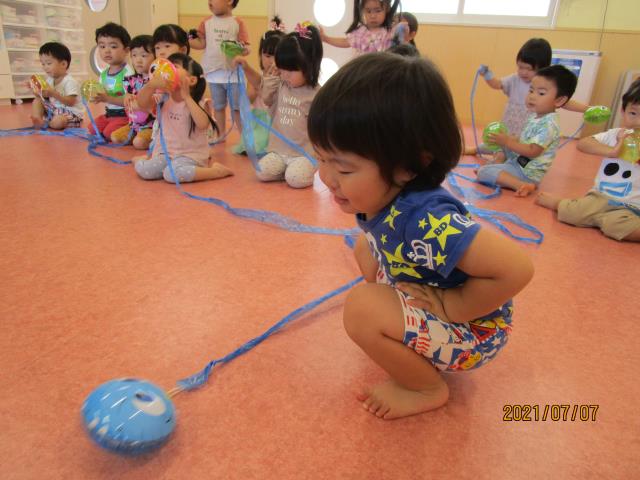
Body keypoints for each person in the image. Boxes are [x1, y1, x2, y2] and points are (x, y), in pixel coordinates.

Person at [308, 52, 534, 419]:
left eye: (344, 169)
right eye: (320, 158)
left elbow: (517, 268)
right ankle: (400, 332)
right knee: (365, 246)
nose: (326, 177)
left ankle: (425, 387)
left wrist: (454, 305)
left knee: (362, 310)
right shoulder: (383, 197)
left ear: (410, 167)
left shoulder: (426, 220)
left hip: (476, 330)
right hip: (428, 291)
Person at [536, 78, 640, 242]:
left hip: (632, 207)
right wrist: (611, 151)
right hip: (599, 197)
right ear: (622, 111)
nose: (638, 122)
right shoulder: (615, 134)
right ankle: (560, 203)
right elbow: (583, 144)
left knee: (616, 226)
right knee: (572, 214)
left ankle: (602, 220)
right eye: (633, 113)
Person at [467, 38, 587, 156]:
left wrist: (587, 109)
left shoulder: (545, 86)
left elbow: (565, 103)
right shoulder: (514, 79)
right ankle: (476, 150)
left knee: (510, 151)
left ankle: (501, 160)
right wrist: (487, 75)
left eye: (529, 69)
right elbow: (497, 84)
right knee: (496, 145)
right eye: (520, 67)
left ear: (542, 68)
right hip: (509, 127)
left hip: (525, 134)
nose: (523, 72)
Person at [475, 65, 577, 197]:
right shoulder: (536, 116)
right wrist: (510, 139)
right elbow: (525, 139)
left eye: (541, 93)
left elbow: (533, 151)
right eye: (531, 90)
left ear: (559, 100)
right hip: (517, 161)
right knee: (497, 143)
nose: (532, 96)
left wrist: (508, 142)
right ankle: (490, 160)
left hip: (526, 172)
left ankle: (520, 184)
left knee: (483, 172)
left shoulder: (549, 124)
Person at [133, 53, 232, 183]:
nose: (167, 69)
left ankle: (215, 171)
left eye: (174, 66)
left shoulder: (199, 103)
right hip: (165, 153)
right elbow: (142, 103)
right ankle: (144, 161)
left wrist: (187, 97)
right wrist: (151, 85)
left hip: (190, 155)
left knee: (172, 175)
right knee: (146, 171)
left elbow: (203, 124)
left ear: (192, 80)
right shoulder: (164, 98)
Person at [255, 22, 322, 188]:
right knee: (261, 172)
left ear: (309, 65)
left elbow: (321, 129)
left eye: (291, 70)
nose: (285, 75)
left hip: (304, 154)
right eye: (282, 68)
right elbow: (266, 100)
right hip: (279, 151)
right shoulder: (281, 84)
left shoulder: (316, 94)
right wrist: (271, 80)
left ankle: (297, 170)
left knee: (295, 179)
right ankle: (285, 170)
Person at [189, 0, 250, 139]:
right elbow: (201, 43)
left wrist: (244, 50)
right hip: (213, 73)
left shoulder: (237, 22)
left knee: (237, 108)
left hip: (233, 75)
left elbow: (245, 45)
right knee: (218, 106)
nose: (210, 2)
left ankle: (245, 138)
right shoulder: (206, 22)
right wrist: (187, 41)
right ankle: (221, 134)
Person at [89, 23, 134, 140]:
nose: (107, 51)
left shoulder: (128, 73)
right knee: (92, 129)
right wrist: (96, 97)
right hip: (109, 114)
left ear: (126, 50)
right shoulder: (103, 74)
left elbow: (130, 102)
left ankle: (131, 129)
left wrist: (106, 98)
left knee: (109, 133)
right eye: (102, 46)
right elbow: (102, 94)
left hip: (125, 115)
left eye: (113, 47)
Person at [110, 35, 155, 149]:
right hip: (133, 125)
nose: (138, 60)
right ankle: (136, 134)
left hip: (151, 126)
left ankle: (154, 139)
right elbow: (127, 98)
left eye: (144, 55)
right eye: (134, 55)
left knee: (139, 143)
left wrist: (139, 105)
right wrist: (126, 97)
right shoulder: (131, 80)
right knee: (115, 137)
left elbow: (154, 106)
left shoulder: (156, 81)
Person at [30, 42, 83, 129]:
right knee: (37, 100)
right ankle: (38, 118)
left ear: (63, 64)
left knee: (58, 122)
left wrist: (54, 93)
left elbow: (71, 102)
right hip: (54, 110)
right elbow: (44, 97)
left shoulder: (70, 81)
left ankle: (49, 124)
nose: (45, 67)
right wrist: (36, 90)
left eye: (48, 63)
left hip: (70, 114)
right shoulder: (49, 79)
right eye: (43, 64)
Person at [319, 0, 401, 56]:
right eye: (368, 11)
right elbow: (345, 42)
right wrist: (326, 38)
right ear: (363, 11)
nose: (373, 16)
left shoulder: (389, 32)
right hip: (362, 69)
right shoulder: (360, 32)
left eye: (378, 11)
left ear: (387, 9)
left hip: (381, 70)